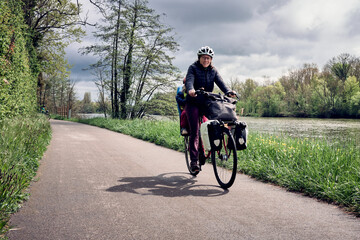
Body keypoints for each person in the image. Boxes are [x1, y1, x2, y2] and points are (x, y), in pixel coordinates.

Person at [185, 46, 236, 172]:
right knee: (195, 132)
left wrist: (228, 91)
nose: (205, 60)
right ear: (199, 58)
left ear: (211, 59)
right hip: (193, 102)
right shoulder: (193, 68)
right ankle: (194, 162)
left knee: (216, 124)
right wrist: (191, 89)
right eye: (203, 58)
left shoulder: (213, 71)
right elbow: (189, 80)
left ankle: (214, 148)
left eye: (208, 58)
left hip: (207, 103)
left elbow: (221, 83)